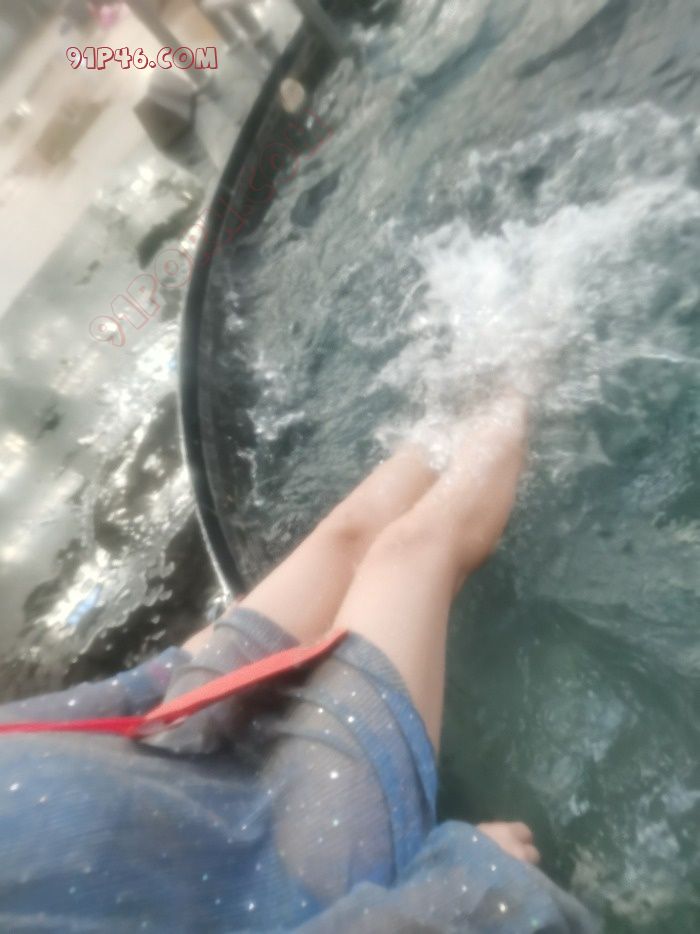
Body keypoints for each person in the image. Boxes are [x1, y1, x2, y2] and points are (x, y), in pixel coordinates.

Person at [0, 394, 598, 932]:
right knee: (410, 552)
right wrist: (458, 900)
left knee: (348, 532)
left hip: (168, 734)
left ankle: (489, 369)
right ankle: (530, 382)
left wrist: (175, 671)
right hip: (284, 878)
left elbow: (38, 733)